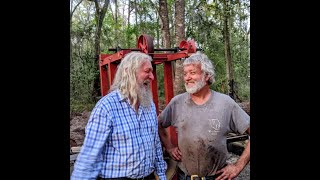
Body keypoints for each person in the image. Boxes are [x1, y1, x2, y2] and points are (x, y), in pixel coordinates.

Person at [71, 52, 167, 180]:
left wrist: (161, 174)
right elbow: (90, 156)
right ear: (128, 72)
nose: (152, 77)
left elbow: (155, 144)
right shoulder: (106, 107)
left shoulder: (149, 105)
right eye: (147, 71)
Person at [158, 52, 250, 180]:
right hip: (184, 176)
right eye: (185, 74)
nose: (187, 77)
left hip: (216, 177)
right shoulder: (177, 103)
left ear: (207, 76)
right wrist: (169, 147)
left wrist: (237, 167)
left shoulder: (225, 103)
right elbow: (159, 124)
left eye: (192, 73)